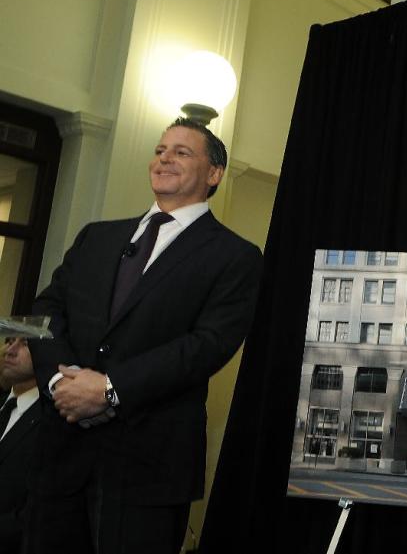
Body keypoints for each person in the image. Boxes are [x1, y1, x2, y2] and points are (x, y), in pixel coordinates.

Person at [25, 118, 263, 554]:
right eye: (159, 150)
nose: (164, 158)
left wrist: (111, 390)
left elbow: (207, 345)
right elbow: (45, 312)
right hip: (62, 455)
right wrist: (62, 383)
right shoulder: (97, 237)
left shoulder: (236, 256)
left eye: (181, 152)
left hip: (149, 466)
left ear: (214, 174)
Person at [0, 337, 40, 554]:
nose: (10, 350)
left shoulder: (54, 424)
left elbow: (36, 516)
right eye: (8, 340)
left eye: (24, 343)